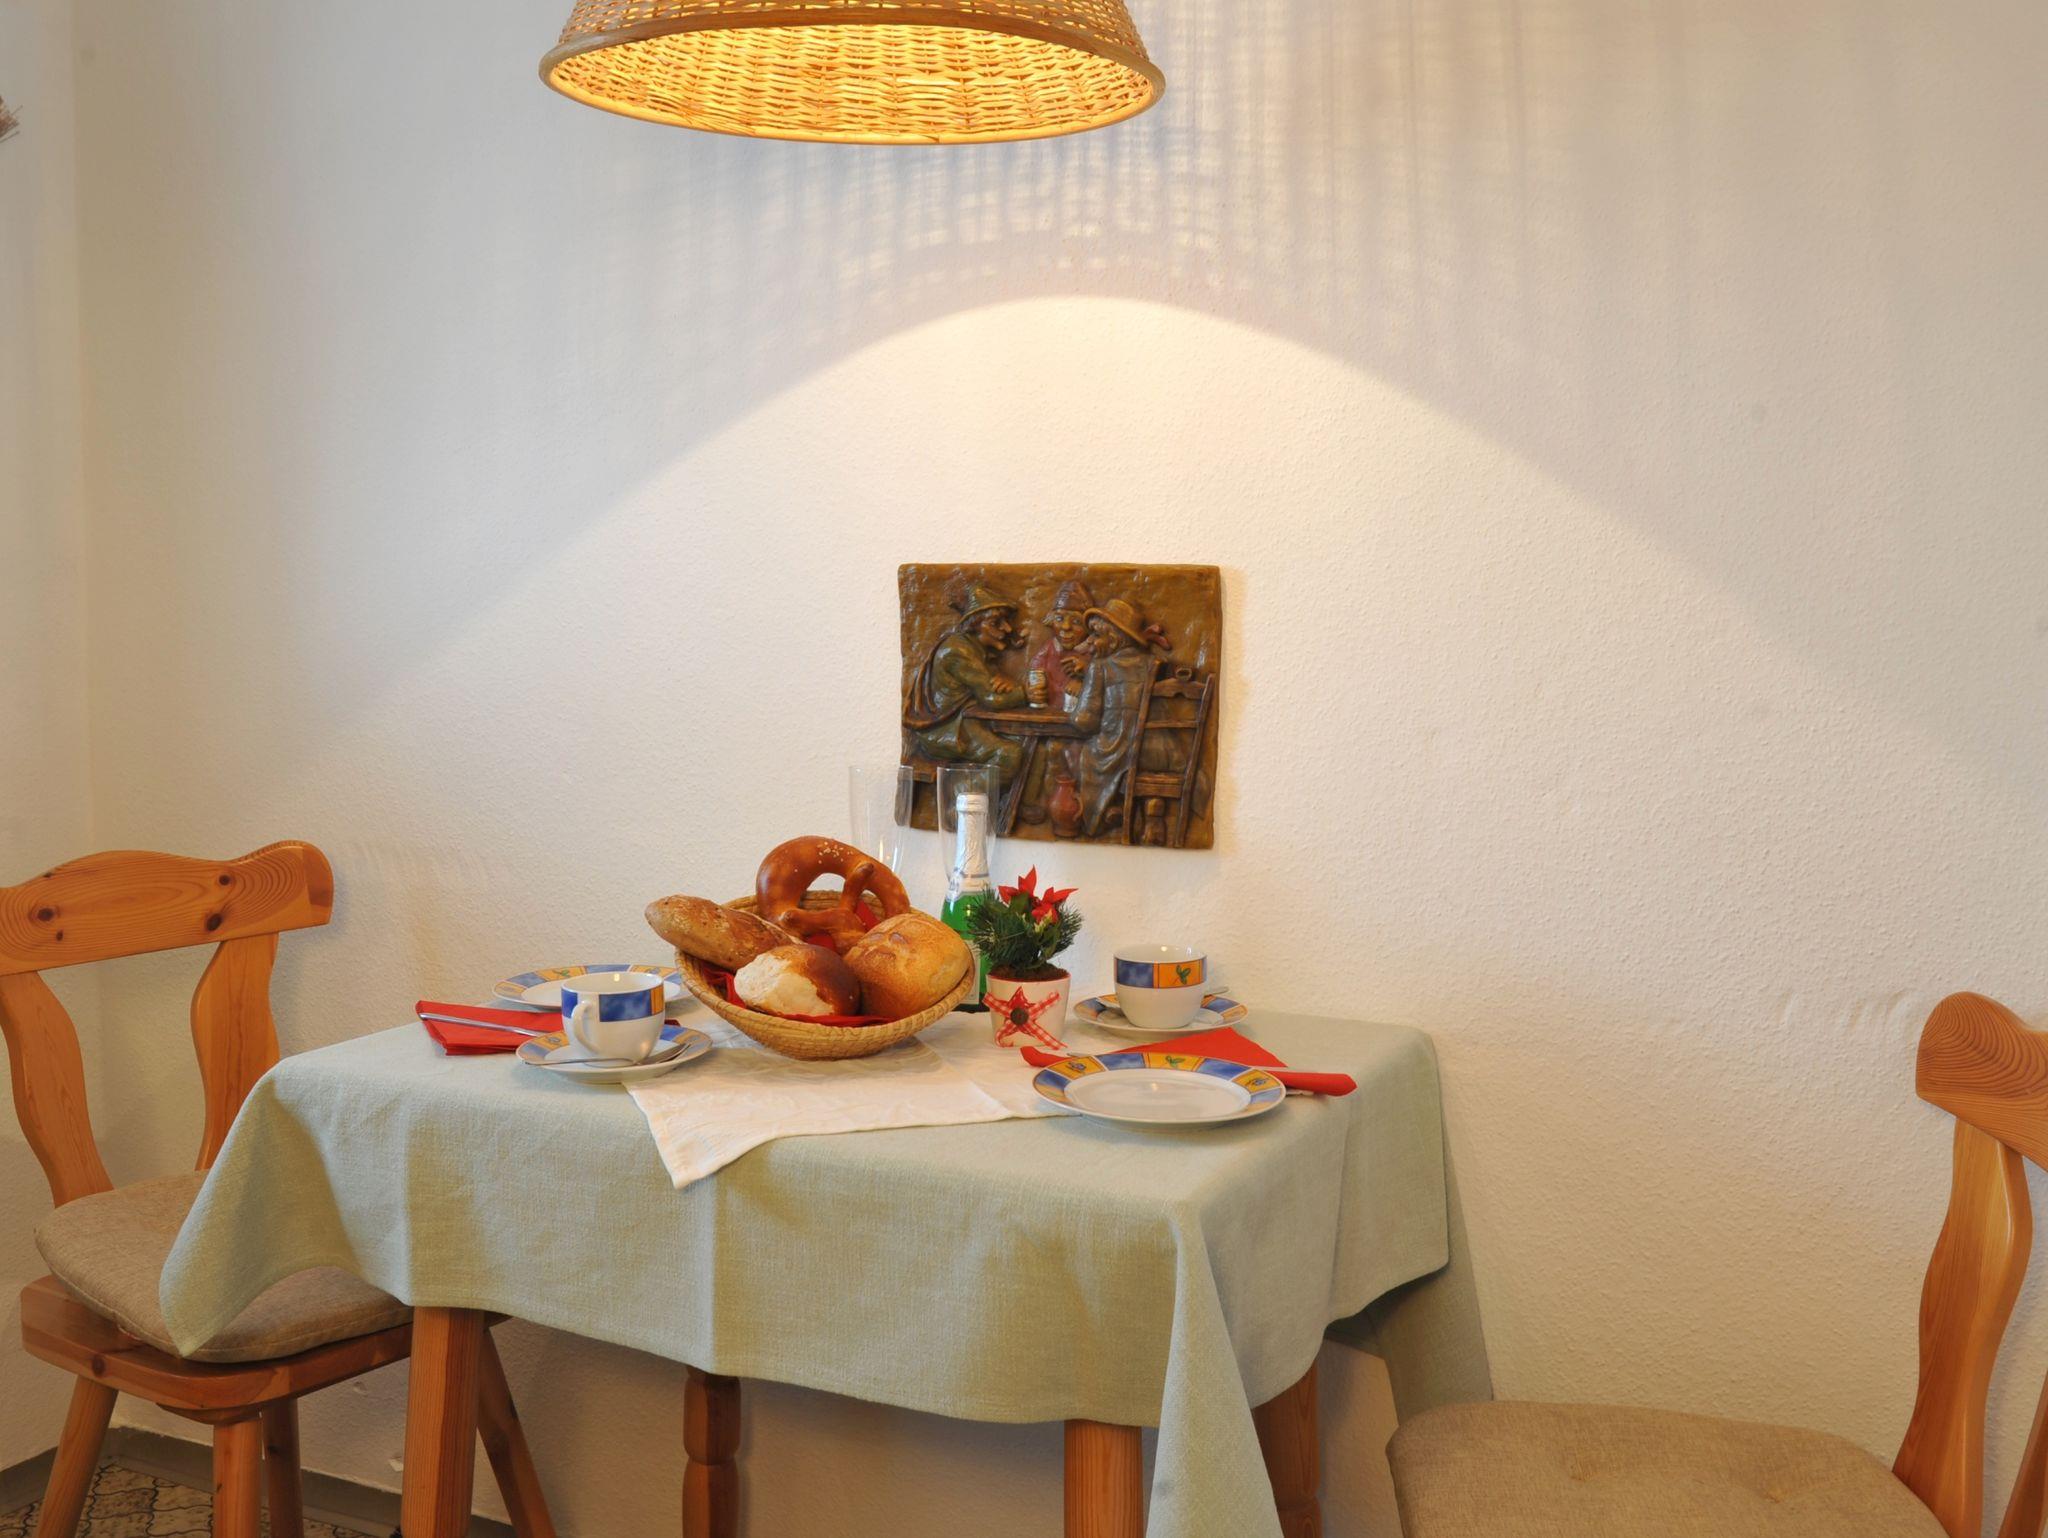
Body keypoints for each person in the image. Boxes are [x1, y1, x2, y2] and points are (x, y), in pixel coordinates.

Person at [1065, 597, 1170, 837]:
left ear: (1113, 638)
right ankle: (1132, 809)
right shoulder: (1155, 664)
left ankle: (1099, 815)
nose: (1091, 642)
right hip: (1158, 751)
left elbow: (1085, 721)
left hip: (1116, 750)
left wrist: (1072, 711)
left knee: (1078, 753)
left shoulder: (1100, 667)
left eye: (1096, 635)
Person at [903, 583, 1027, 782]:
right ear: (974, 625)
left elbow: (993, 685)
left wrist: (1008, 683)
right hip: (945, 729)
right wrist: (1026, 693)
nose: (1007, 628)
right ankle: (961, 797)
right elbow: (992, 698)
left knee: (1027, 743)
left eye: (1005, 621)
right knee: (1009, 754)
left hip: (962, 721)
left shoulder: (974, 649)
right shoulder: (959, 652)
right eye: (995, 622)